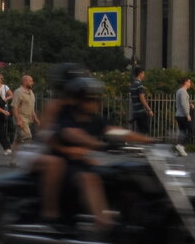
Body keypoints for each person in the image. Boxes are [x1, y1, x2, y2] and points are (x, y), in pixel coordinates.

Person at [44, 75, 152, 233]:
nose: (94, 103)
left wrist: (148, 140)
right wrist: (98, 144)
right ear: (79, 101)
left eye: (96, 99)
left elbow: (117, 131)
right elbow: (71, 133)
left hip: (83, 162)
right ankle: (105, 223)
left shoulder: (95, 119)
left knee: (121, 174)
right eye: (89, 99)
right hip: (66, 164)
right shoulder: (67, 117)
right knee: (90, 178)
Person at [10, 74, 38, 164]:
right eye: (30, 81)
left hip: (28, 119)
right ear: (25, 81)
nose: (32, 83)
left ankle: (13, 160)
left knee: (17, 140)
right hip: (21, 119)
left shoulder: (31, 92)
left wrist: (35, 118)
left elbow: (31, 108)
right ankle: (26, 160)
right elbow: (14, 107)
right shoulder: (19, 92)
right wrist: (18, 120)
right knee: (27, 137)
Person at [128, 66, 152, 135]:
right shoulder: (139, 85)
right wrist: (149, 109)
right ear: (140, 74)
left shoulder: (133, 84)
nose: (144, 75)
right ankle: (141, 144)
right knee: (145, 130)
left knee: (140, 131)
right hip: (141, 112)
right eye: (143, 73)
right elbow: (142, 98)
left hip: (136, 112)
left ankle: (138, 143)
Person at [174, 77, 192, 156]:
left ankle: (180, 149)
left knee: (182, 132)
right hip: (183, 115)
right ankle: (181, 146)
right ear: (185, 82)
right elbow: (183, 104)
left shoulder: (179, 91)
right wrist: (187, 114)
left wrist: (189, 105)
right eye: (189, 82)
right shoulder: (183, 91)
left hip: (179, 115)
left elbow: (184, 103)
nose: (190, 84)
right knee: (191, 131)